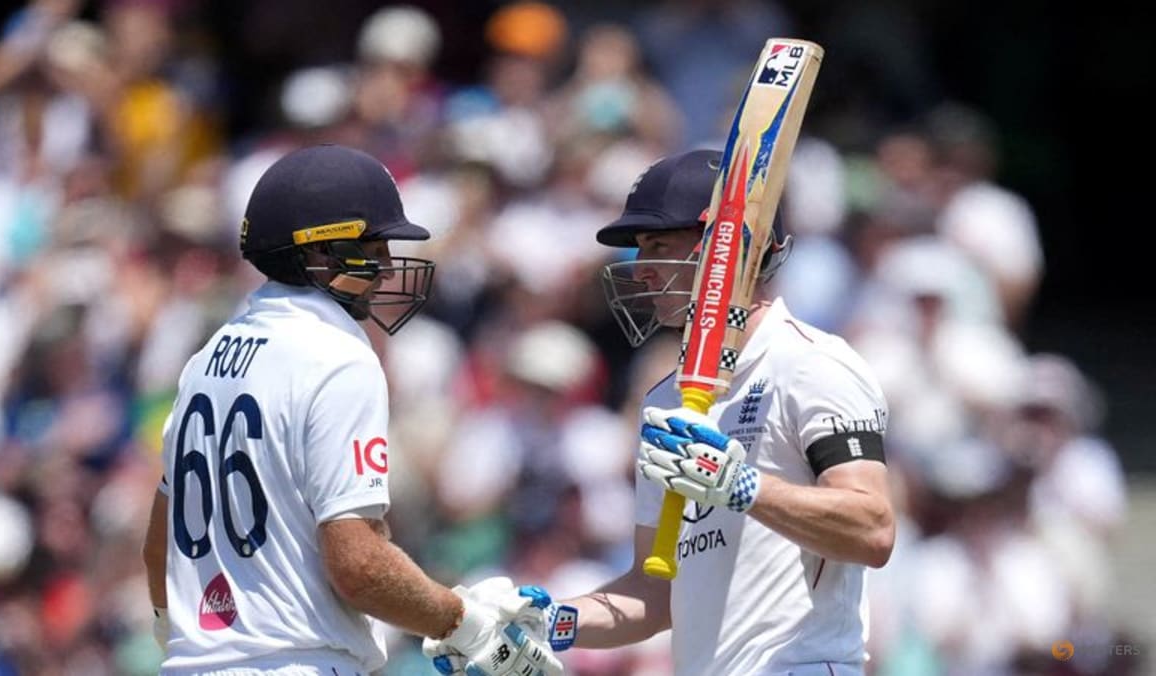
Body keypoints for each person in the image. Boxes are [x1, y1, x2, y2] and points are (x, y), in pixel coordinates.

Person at [428, 149, 896, 675]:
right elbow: (654, 593)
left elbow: (872, 529)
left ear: (726, 250)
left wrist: (744, 488)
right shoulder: (663, 400)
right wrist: (549, 622)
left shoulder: (810, 364)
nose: (641, 269)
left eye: (658, 246)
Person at [141, 144, 562, 675]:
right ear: (319, 252)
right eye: (372, 247)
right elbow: (358, 566)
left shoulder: (207, 358)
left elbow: (160, 545)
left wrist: (173, 631)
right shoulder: (337, 354)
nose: (386, 267)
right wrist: (468, 624)